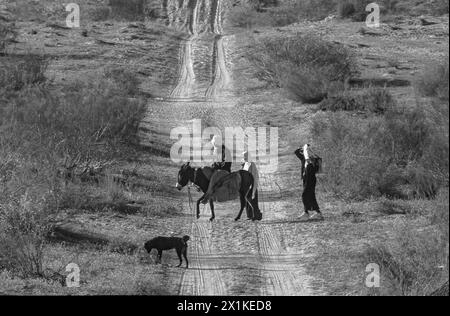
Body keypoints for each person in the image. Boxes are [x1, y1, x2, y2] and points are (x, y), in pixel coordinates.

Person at [295, 144, 323, 221]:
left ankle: (307, 213)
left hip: (310, 179)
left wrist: (307, 150)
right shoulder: (305, 159)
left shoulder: (312, 162)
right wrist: (303, 148)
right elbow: (297, 152)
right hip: (306, 179)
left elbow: (314, 169)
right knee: (310, 196)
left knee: (305, 195)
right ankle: (314, 212)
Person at [241, 151, 263, 221]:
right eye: (244, 157)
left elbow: (253, 175)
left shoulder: (252, 164)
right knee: (248, 200)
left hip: (252, 185)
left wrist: (252, 185)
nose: (244, 158)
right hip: (247, 186)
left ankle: (257, 214)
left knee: (251, 199)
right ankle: (250, 215)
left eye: (245, 156)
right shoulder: (246, 164)